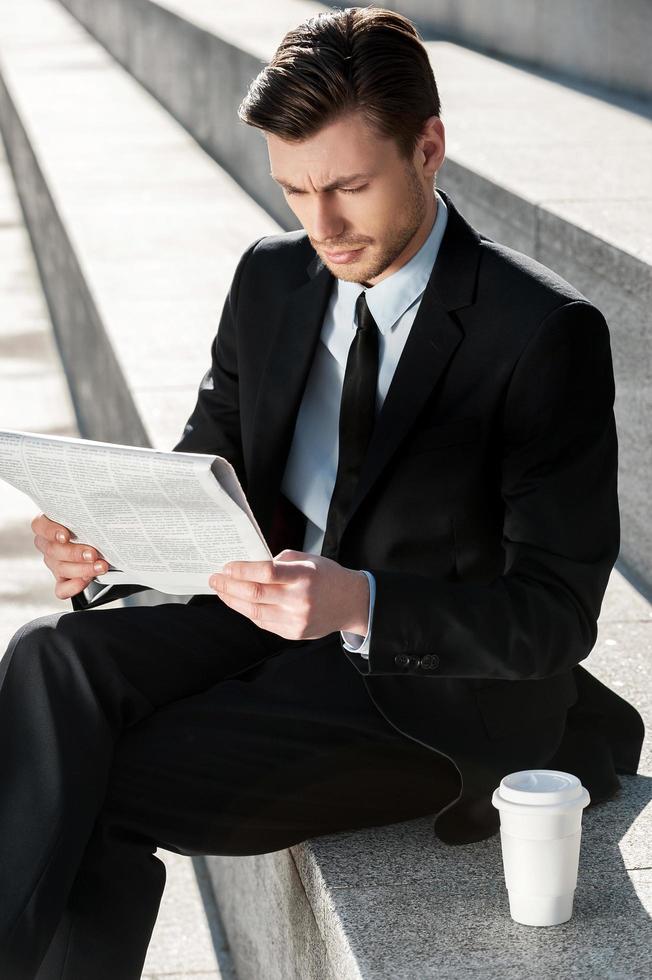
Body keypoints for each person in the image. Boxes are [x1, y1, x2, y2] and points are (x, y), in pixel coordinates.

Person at [0, 6, 644, 979]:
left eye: (348, 185)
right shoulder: (271, 280)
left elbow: (552, 614)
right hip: (256, 609)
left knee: (81, 777)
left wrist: (359, 600)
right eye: (295, 189)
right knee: (48, 658)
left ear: (428, 147)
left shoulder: (541, 333)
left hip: (419, 692)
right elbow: (205, 464)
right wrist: (109, 537)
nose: (323, 225)